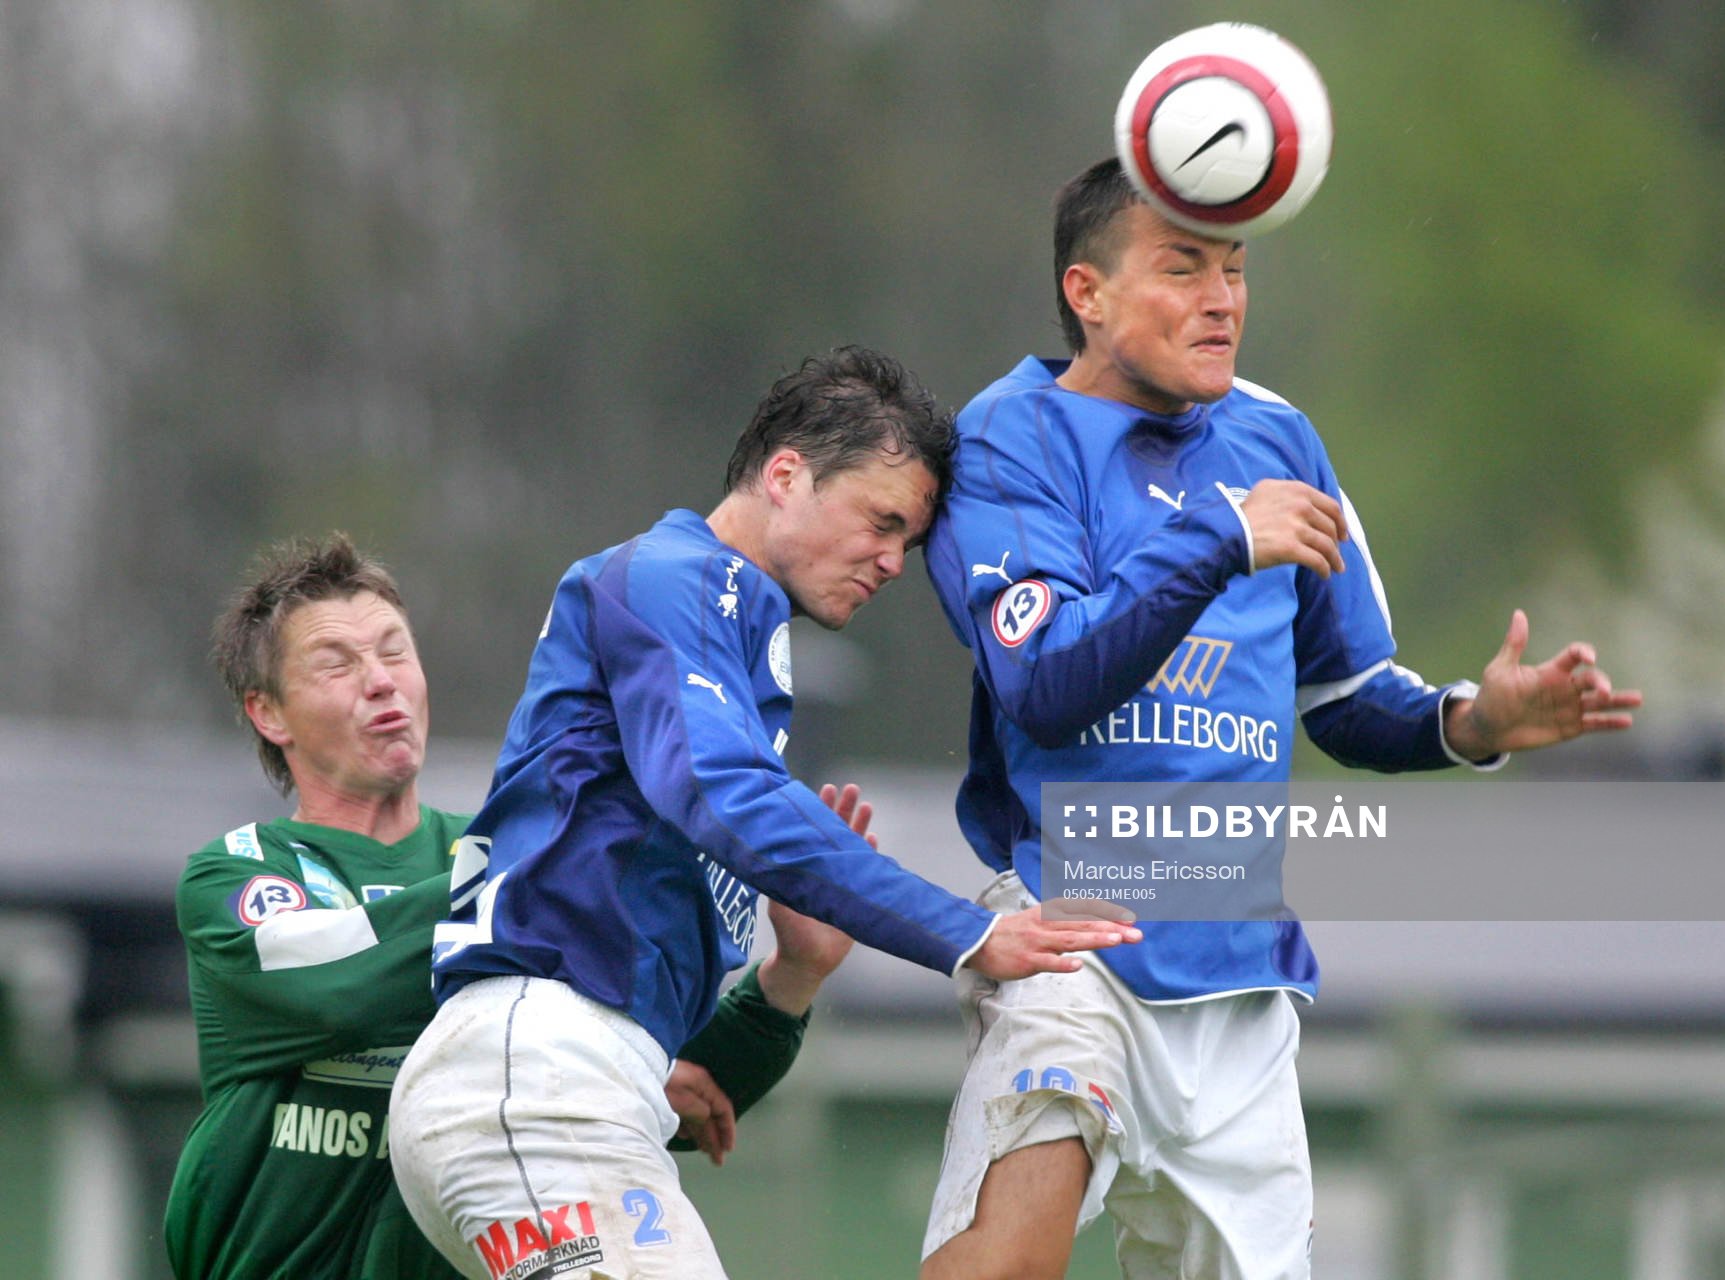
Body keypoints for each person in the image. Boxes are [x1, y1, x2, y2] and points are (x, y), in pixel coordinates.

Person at [917, 157, 1643, 1280]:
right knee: (1006, 1261)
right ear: (1086, 292)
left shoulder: (1279, 440)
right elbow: (1043, 682)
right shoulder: (1009, 437)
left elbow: (1347, 700)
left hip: (1238, 962)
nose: (1222, 299)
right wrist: (1220, 536)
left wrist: (1470, 719)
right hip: (1076, 935)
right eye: (1182, 267)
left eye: (1236, 269)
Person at [387, 345, 1144, 1280]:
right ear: (785, 474)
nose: (893, 562)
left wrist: (789, 976)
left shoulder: (731, 631)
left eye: (908, 542)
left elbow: (663, 1019)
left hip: (561, 1085)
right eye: (882, 520)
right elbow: (725, 794)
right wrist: (965, 930)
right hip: (531, 1078)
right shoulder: (678, 575)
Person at [163, 533, 863, 1280]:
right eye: (337, 663)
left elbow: (658, 1075)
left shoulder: (510, 862)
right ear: (269, 713)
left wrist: (793, 974)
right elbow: (331, 984)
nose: (380, 682)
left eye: (395, 652)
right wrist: (528, 901)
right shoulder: (239, 874)